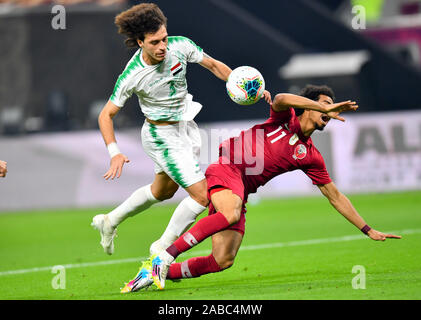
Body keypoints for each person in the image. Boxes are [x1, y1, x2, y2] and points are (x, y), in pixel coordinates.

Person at [121, 84, 401, 293]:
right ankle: (164, 257)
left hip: (239, 189)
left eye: (332, 105)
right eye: (325, 104)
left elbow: (335, 196)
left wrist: (368, 229)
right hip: (226, 167)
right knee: (229, 214)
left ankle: (159, 271)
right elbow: (280, 98)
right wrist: (323, 106)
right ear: (309, 106)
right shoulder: (285, 118)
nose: (332, 108)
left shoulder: (311, 155)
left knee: (223, 259)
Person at [91, 3, 271, 256]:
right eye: (154, 42)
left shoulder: (180, 45)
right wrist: (114, 152)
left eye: (164, 38)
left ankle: (110, 221)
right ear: (140, 42)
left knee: (162, 191)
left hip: (185, 127)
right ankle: (161, 248)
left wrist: (247, 87)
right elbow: (105, 115)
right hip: (161, 136)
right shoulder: (132, 75)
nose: (162, 46)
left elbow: (213, 65)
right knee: (202, 196)